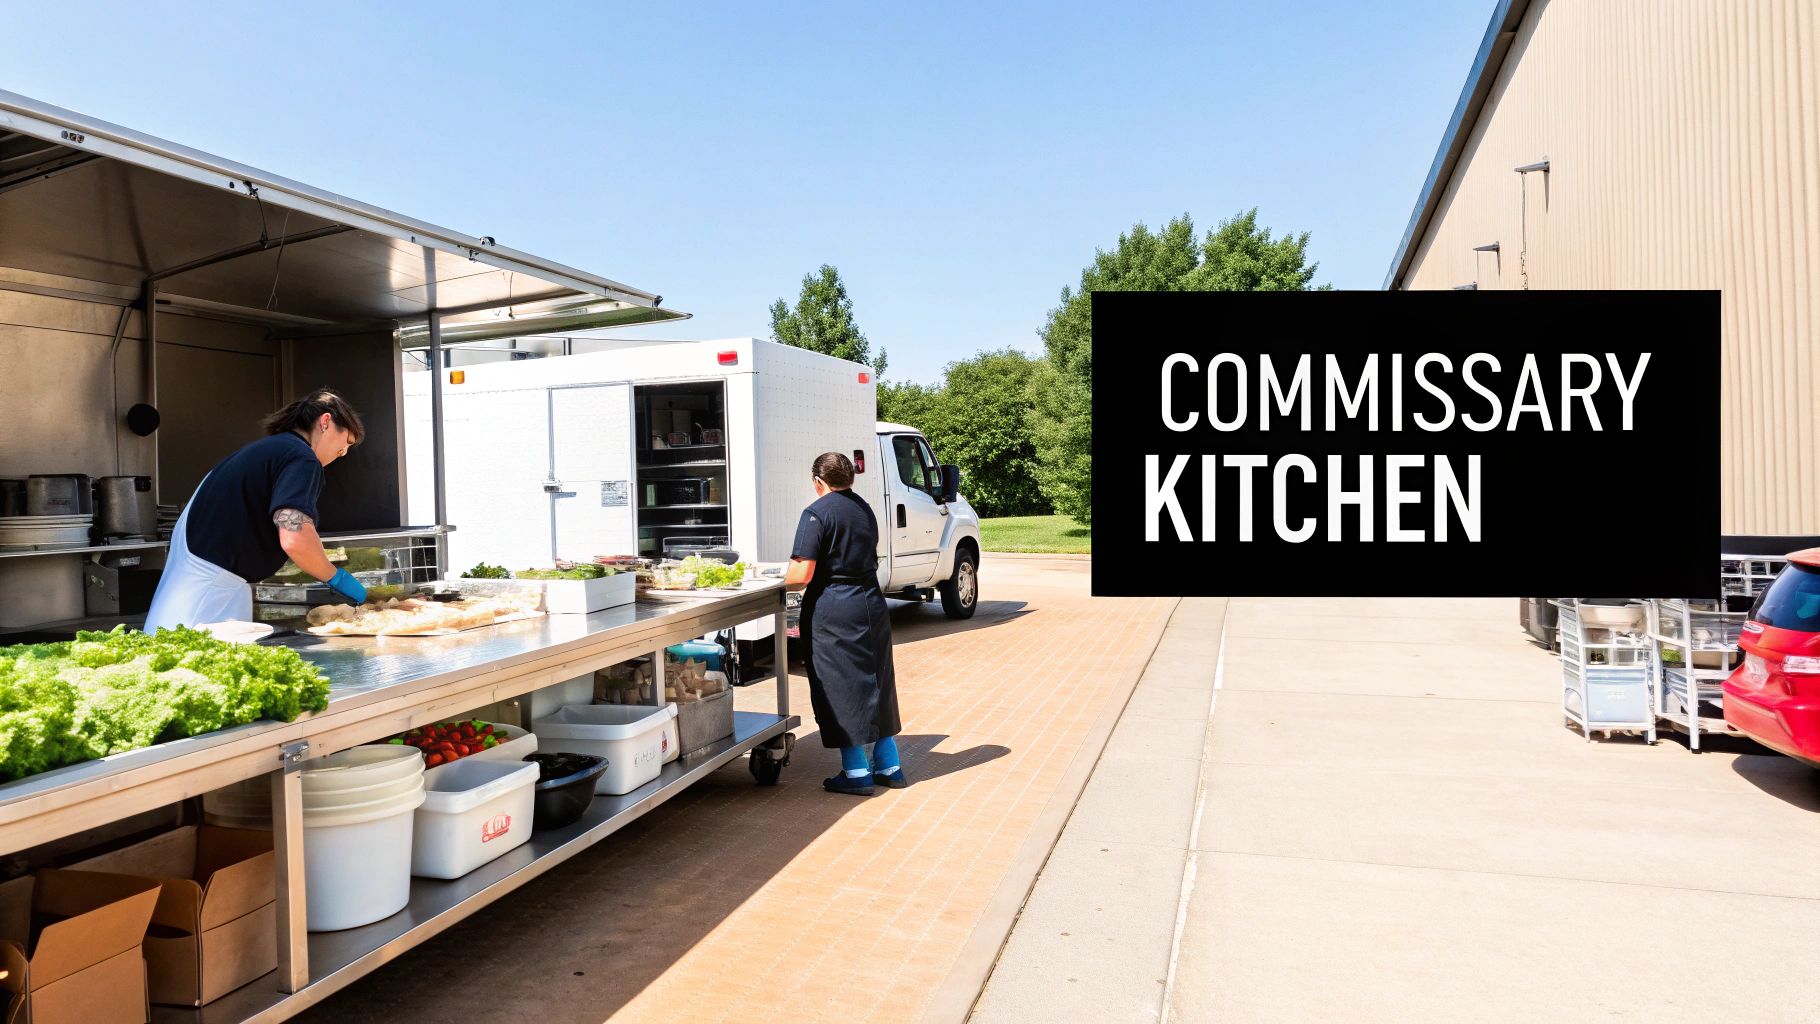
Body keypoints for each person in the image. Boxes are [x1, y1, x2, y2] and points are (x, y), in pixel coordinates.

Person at [144, 390, 368, 631]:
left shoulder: (267, 450)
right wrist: (336, 577)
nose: (343, 453)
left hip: (205, 587)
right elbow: (294, 536)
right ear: (325, 422)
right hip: (209, 596)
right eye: (346, 442)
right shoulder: (302, 458)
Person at [785, 451, 905, 795]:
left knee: (839, 685)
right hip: (870, 603)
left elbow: (801, 574)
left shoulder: (816, 513)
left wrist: (775, 579)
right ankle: (890, 766)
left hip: (834, 608)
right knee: (877, 680)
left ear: (817, 481)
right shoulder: (863, 508)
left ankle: (856, 774)